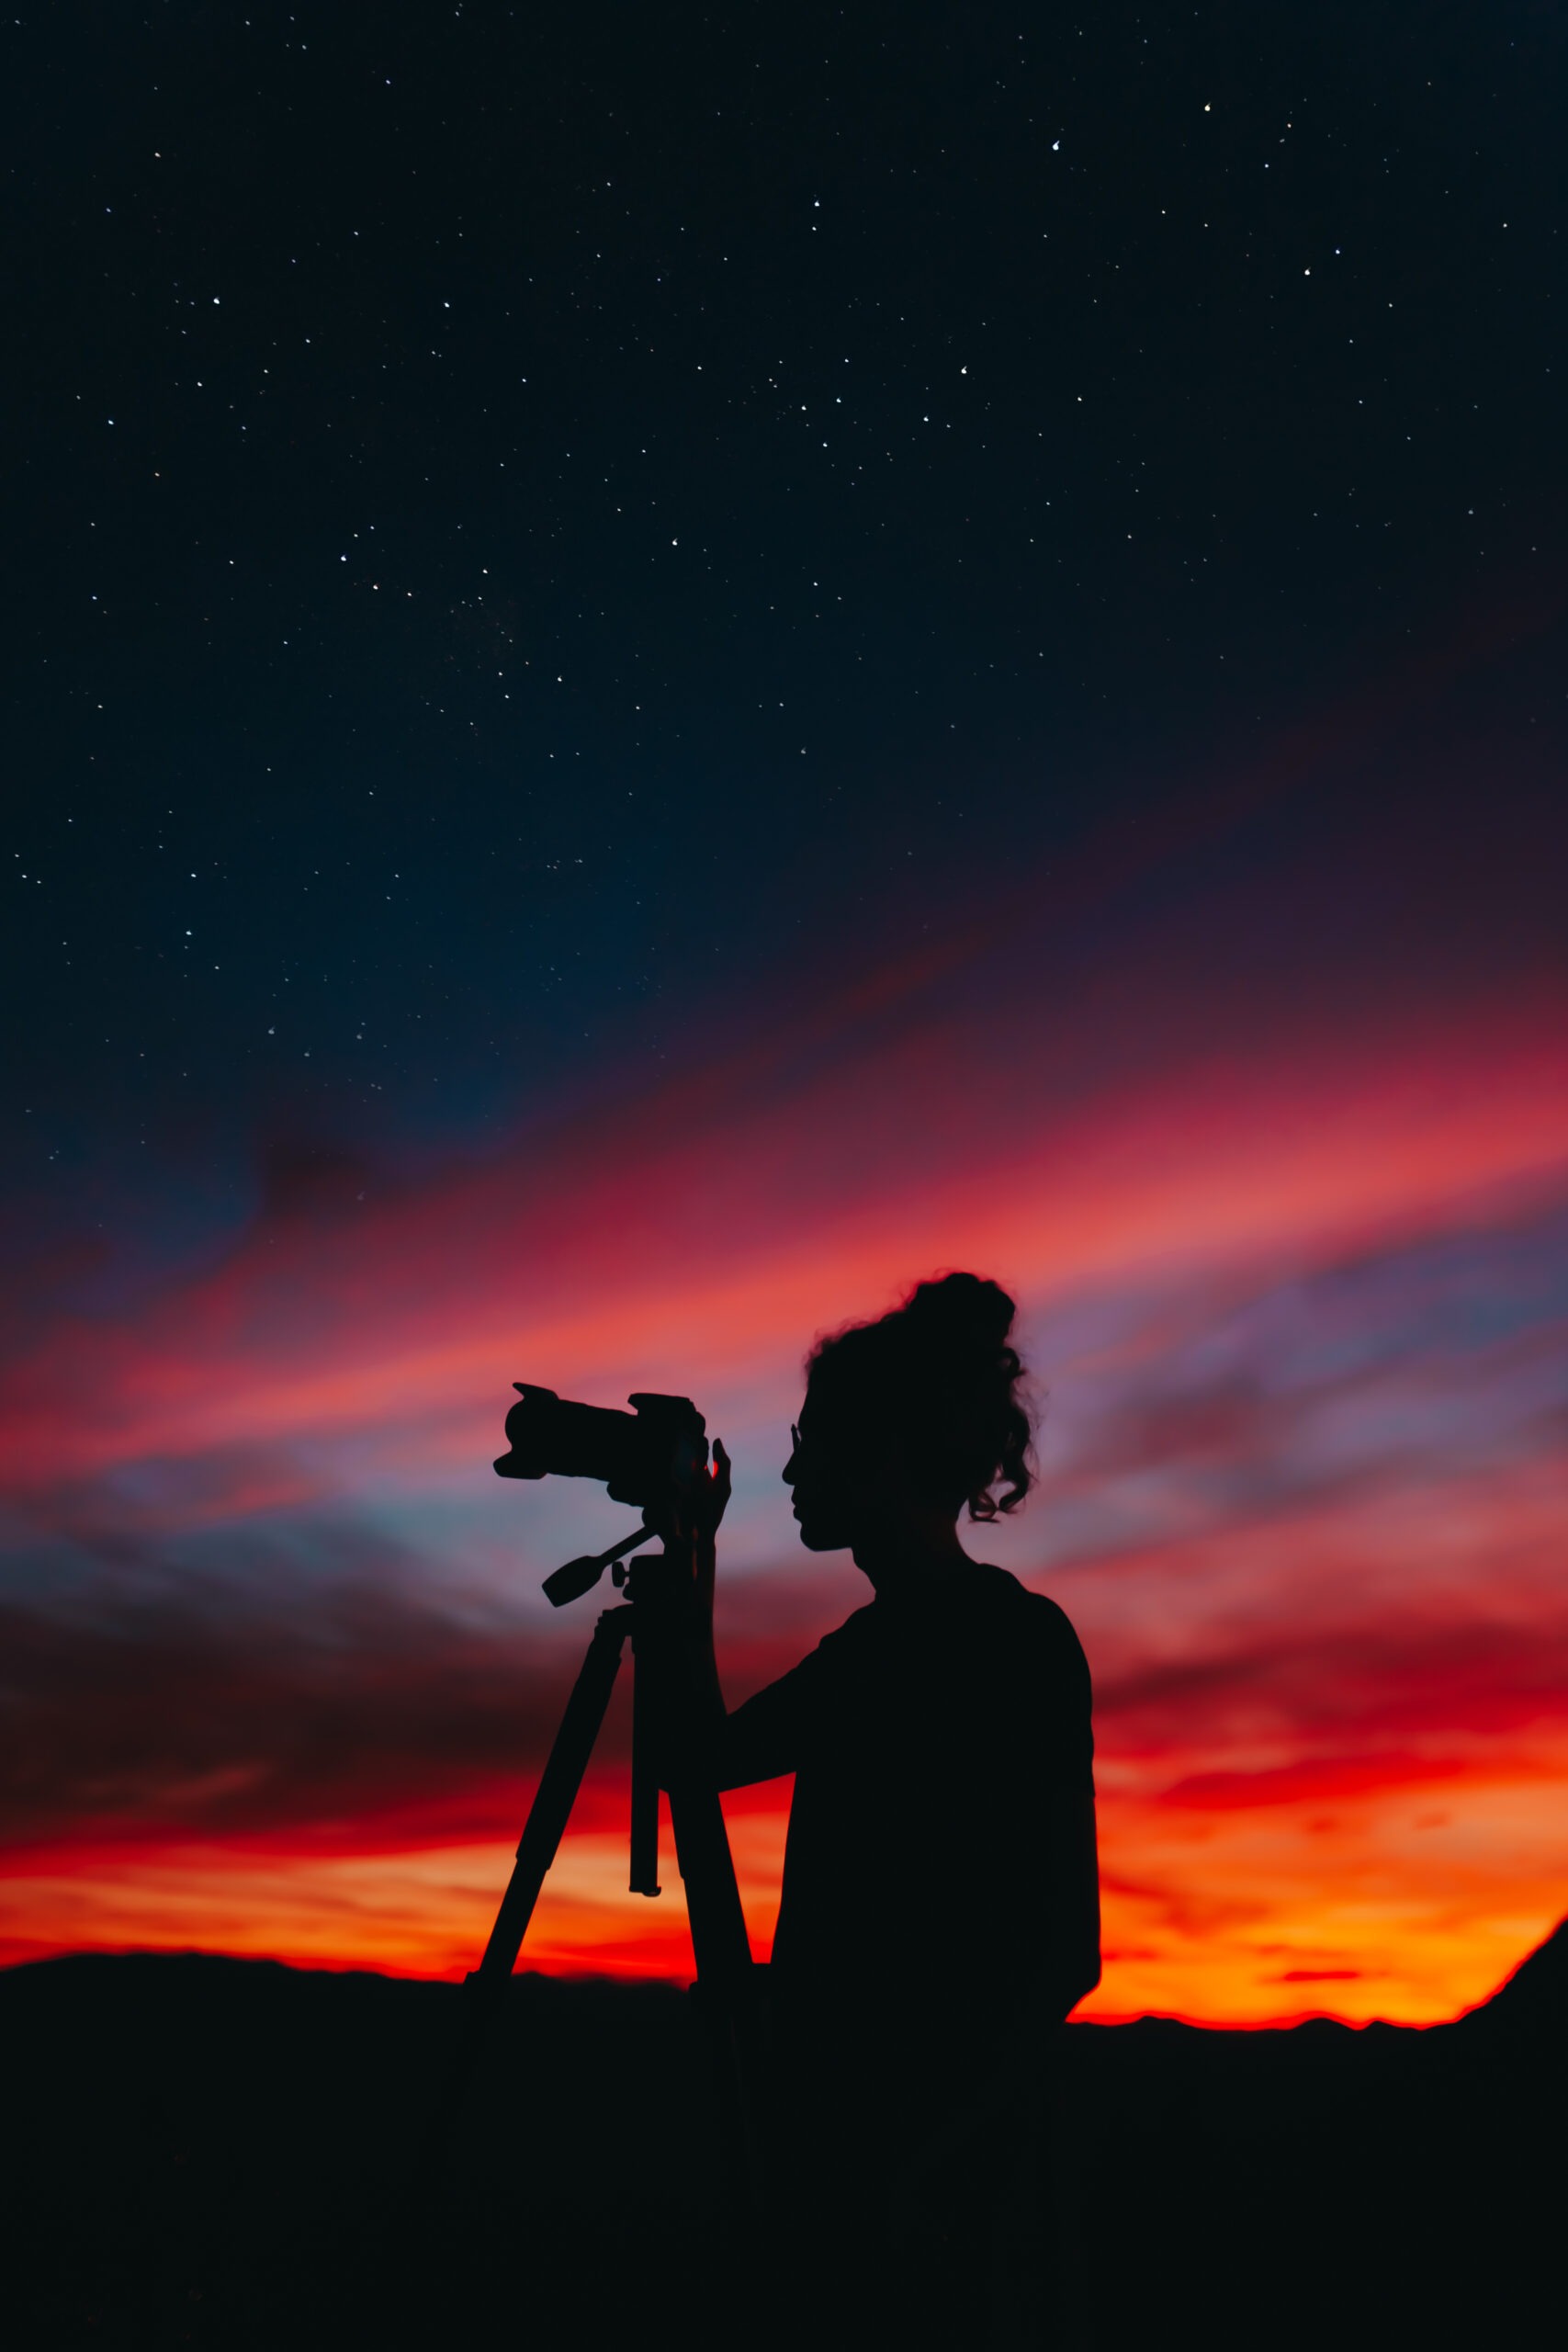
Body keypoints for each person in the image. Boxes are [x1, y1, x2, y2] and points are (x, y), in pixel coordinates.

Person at [668, 1272, 1100, 2341]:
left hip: (935, 2202)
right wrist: (694, 1546)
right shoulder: (876, 1650)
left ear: (889, 1450)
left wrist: (921, 2166)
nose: (791, 1470)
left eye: (814, 1442)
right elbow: (703, 1758)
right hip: (850, 2162)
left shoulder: (1010, 1642)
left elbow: (1059, 1951)